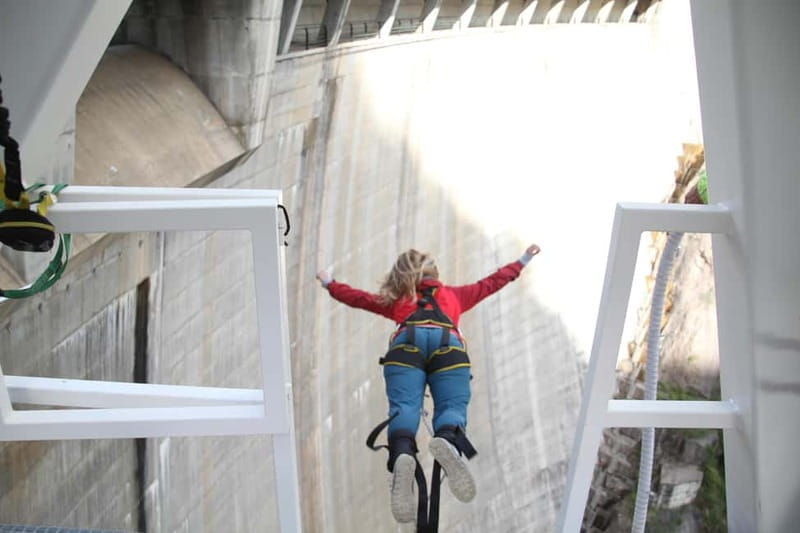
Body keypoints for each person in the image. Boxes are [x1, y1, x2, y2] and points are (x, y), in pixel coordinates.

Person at [316, 243, 541, 523]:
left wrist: (329, 282)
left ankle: (402, 453)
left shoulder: (399, 300)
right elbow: (492, 283)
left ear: (404, 276)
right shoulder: (456, 295)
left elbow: (358, 298)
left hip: (405, 345)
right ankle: (448, 441)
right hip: (449, 346)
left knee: (404, 407)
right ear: (435, 275)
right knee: (451, 406)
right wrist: (523, 260)